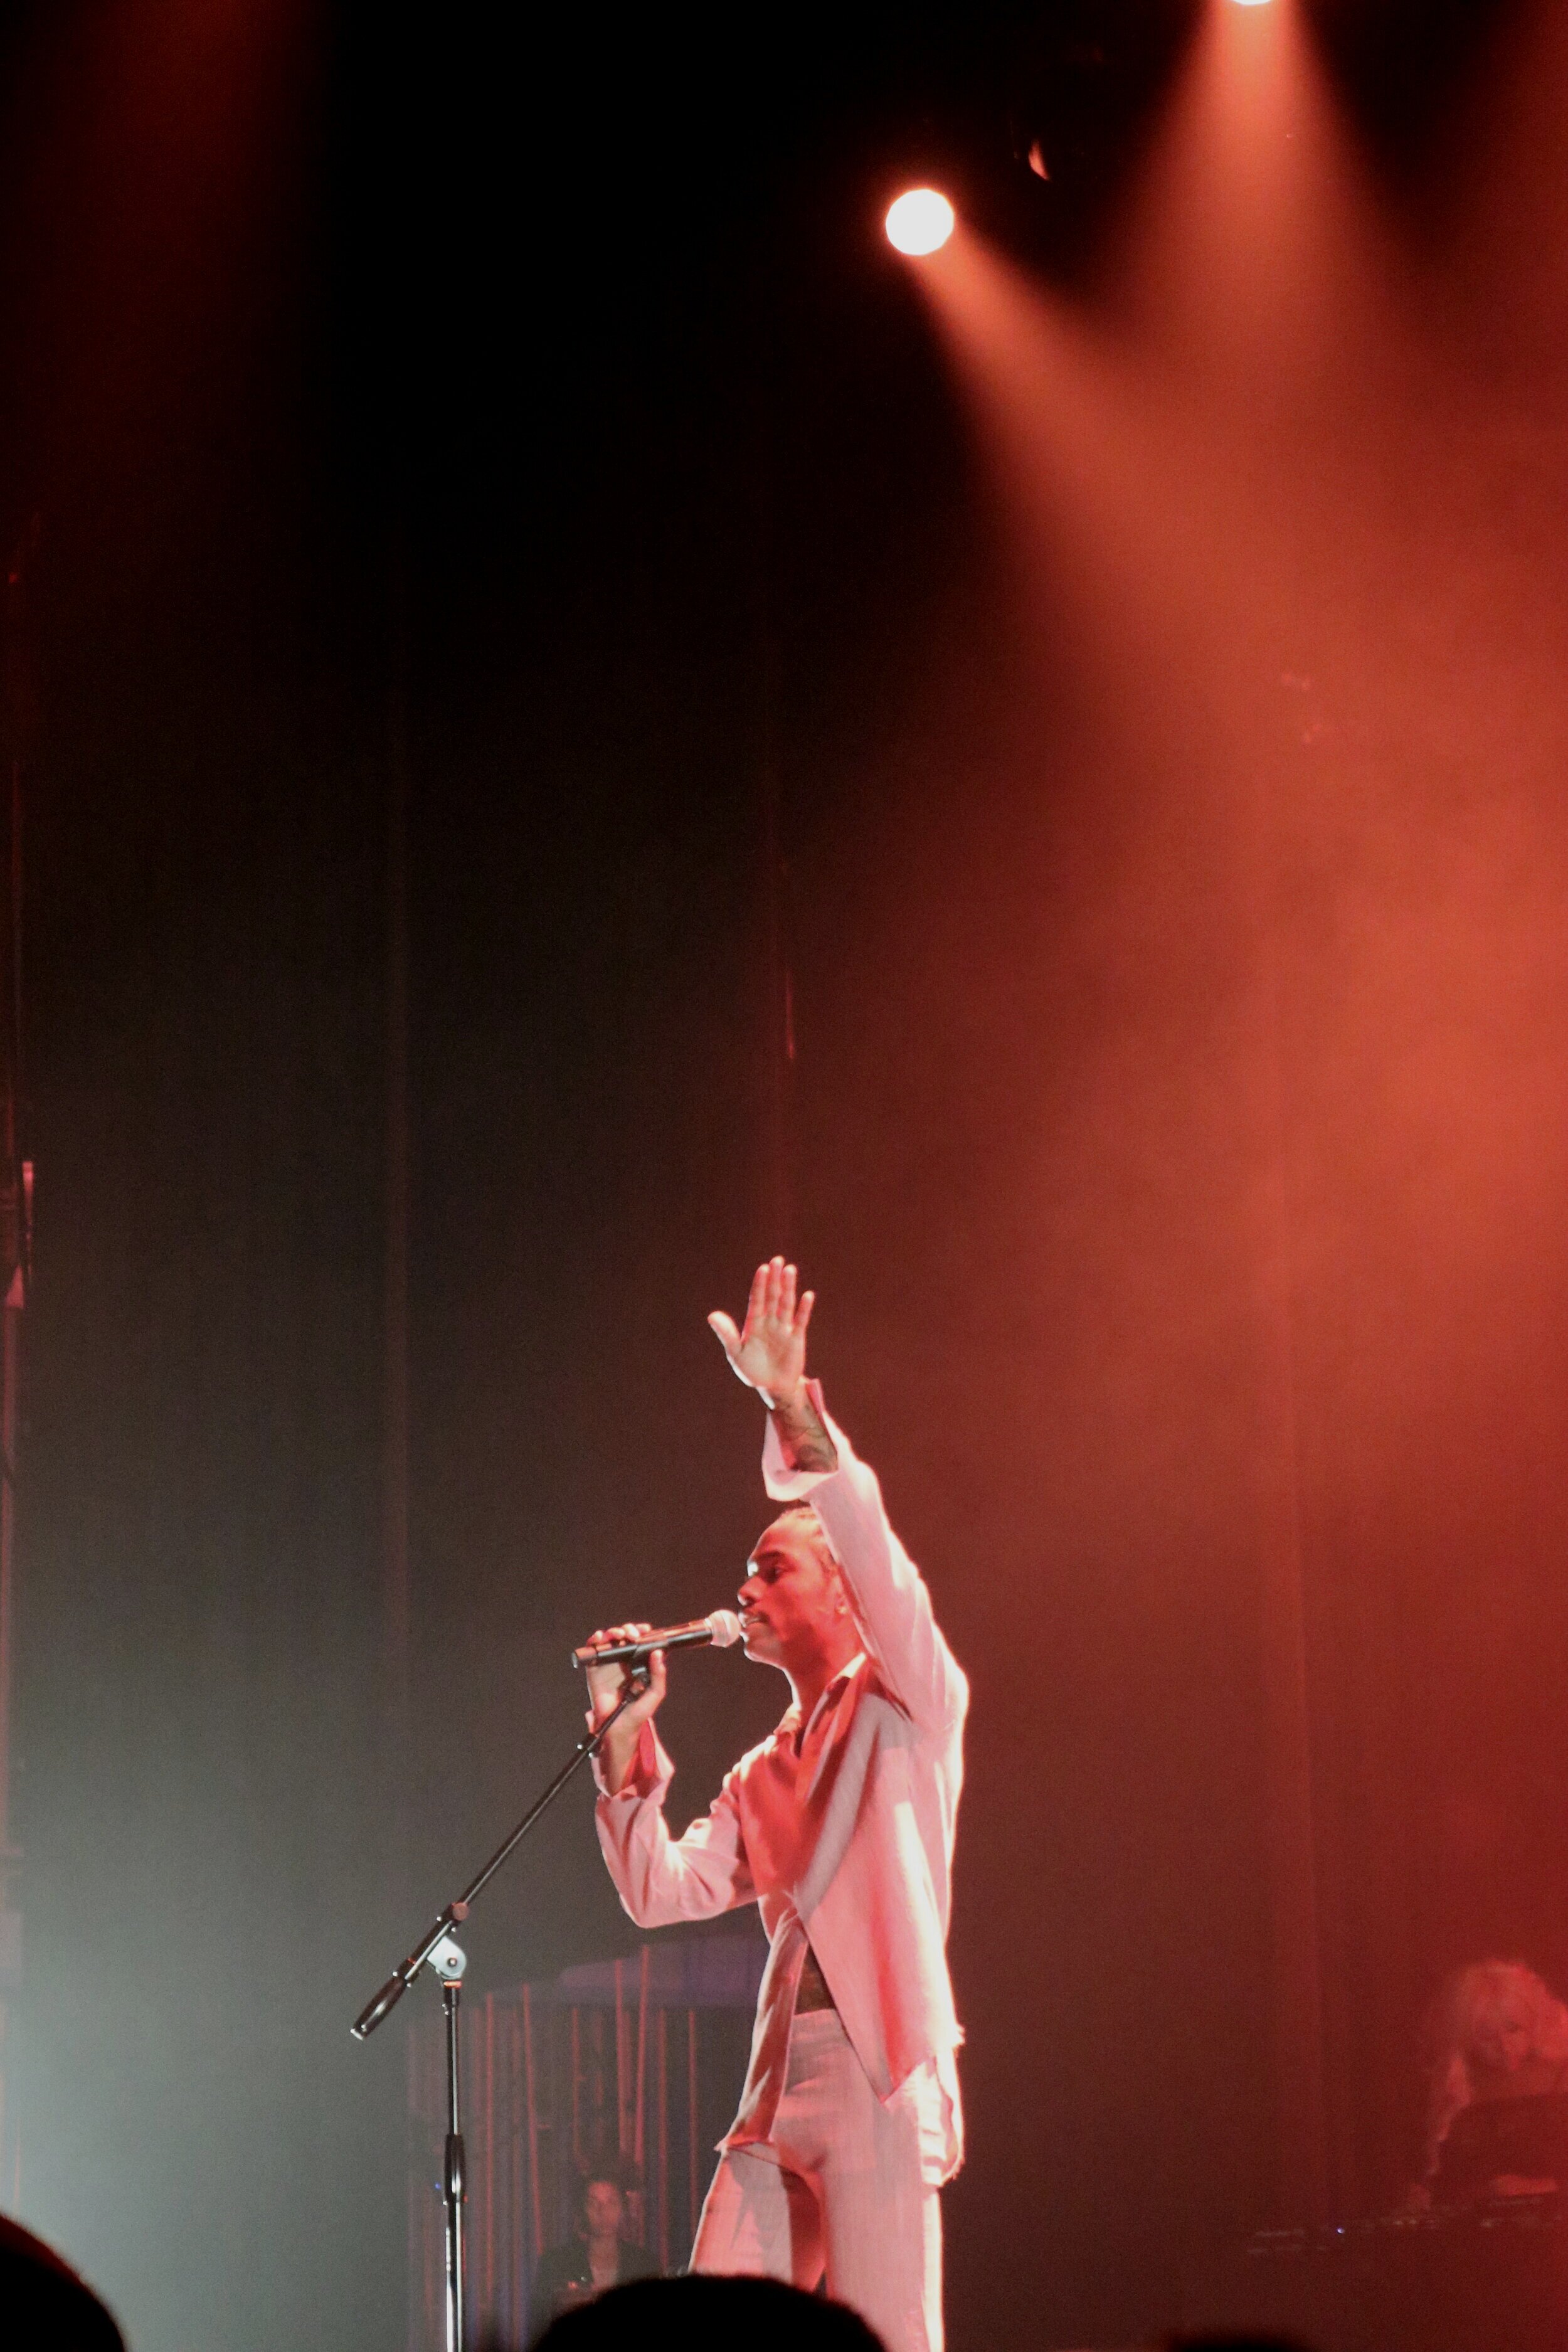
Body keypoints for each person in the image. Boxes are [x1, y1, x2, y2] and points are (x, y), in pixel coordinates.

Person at [580, 1259, 967, 2352]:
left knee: (892, 2337)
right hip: (774, 2090)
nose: (745, 1589)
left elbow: (884, 1561)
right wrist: (620, 1729)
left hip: (877, 2072)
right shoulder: (759, 1773)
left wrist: (788, 1403)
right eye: (745, 1574)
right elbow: (660, 1893)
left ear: (840, 1592)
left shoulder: (912, 1707)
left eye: (771, 1568)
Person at [1416, 1959, 1568, 2203]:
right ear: (1466, 2038)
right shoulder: (1459, 2090)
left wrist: (1541, 2187)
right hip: (1481, 2231)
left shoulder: (1562, 2076)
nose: (1504, 2047)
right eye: (1487, 2036)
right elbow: (1449, 2184)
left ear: (1534, 2021)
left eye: (1514, 2029)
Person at [529, 2160, 658, 2336]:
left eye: (611, 2202)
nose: (602, 2211)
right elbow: (539, 2325)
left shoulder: (645, 2265)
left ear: (623, 2209)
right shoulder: (556, 2263)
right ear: (582, 2209)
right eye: (593, 2203)